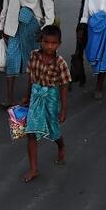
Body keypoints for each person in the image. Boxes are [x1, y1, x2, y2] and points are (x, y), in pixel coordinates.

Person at [0, 0, 55, 107]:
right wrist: (2, 27)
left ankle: (29, 97)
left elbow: (48, 4)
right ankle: (9, 97)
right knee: (12, 59)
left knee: (32, 63)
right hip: (13, 26)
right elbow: (6, 4)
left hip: (33, 26)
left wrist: (46, 28)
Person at [20, 25, 70, 183]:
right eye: (46, 42)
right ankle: (33, 169)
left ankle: (61, 145)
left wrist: (63, 109)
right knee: (31, 132)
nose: (49, 46)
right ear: (40, 41)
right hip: (36, 96)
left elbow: (64, 85)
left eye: (53, 43)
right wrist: (27, 96)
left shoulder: (60, 63)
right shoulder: (34, 56)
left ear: (59, 44)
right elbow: (30, 78)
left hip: (51, 97)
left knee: (53, 129)